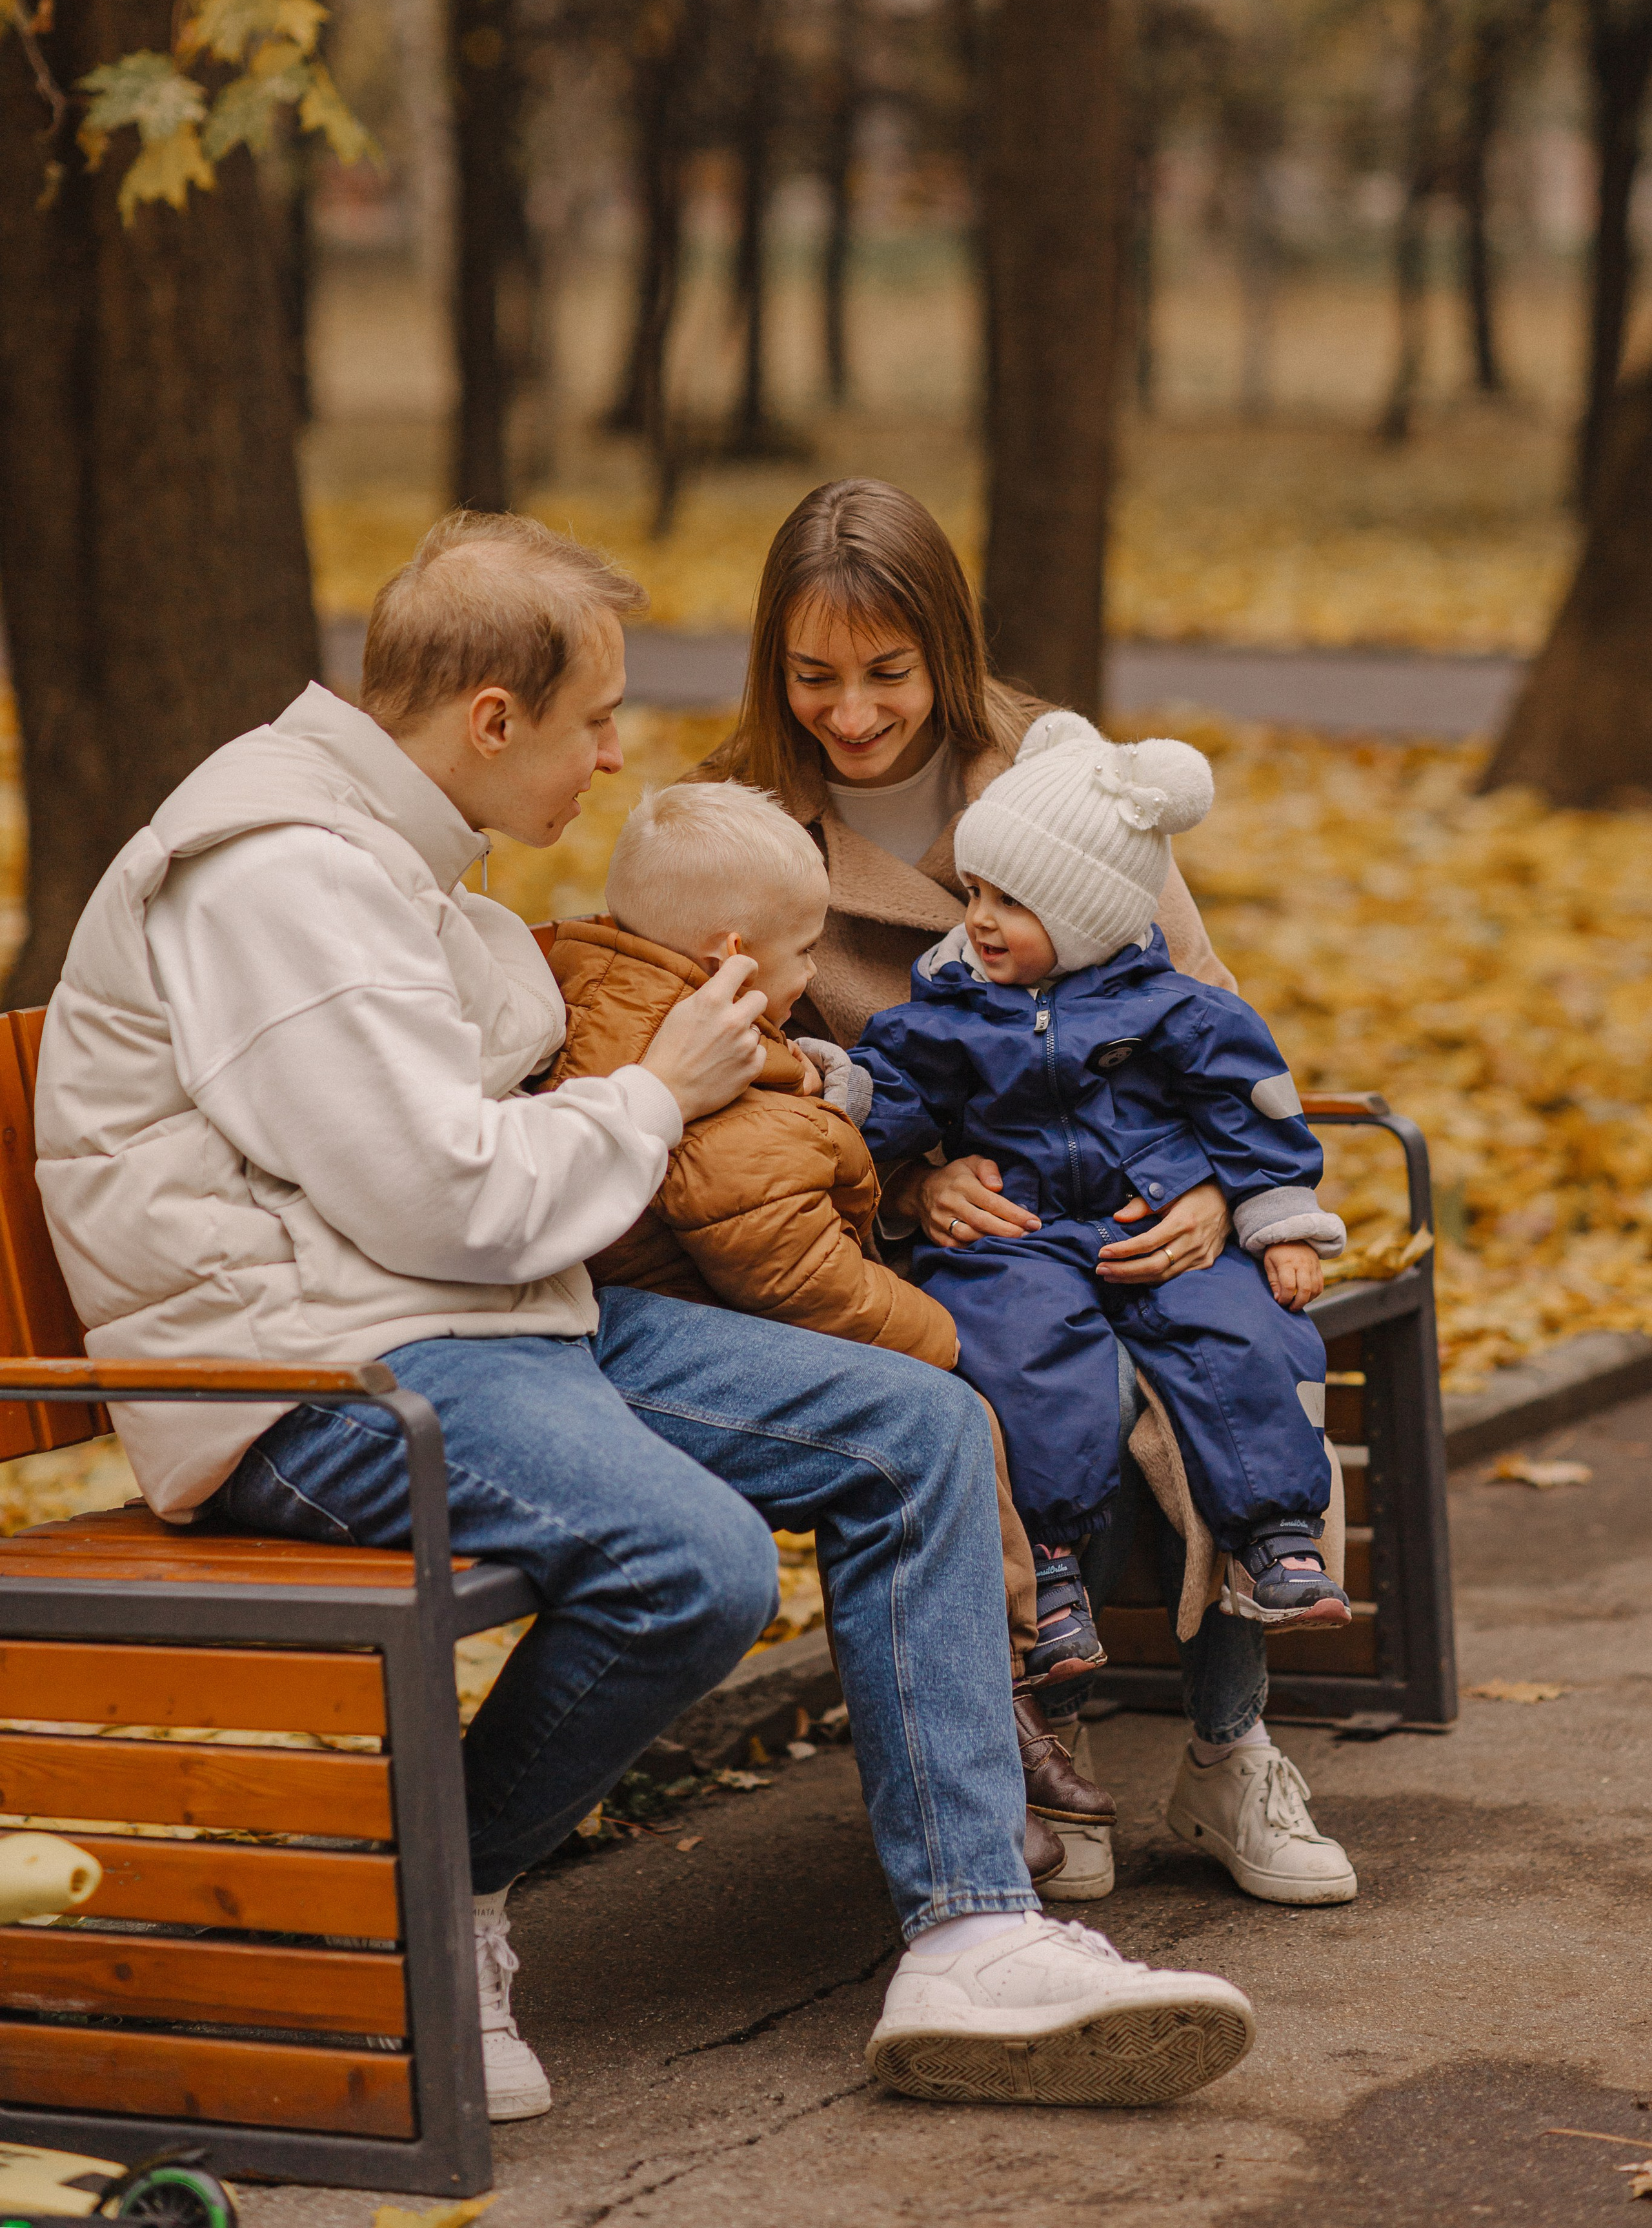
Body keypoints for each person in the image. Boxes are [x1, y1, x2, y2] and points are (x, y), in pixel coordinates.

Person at [34, 507, 1256, 2120]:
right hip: (314, 1374)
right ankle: (425, 1904)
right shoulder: (283, 878)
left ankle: (971, 1932)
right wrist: (659, 1095)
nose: (612, 758)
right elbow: (448, 1197)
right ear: (490, 722)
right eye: (591, 720)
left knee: (922, 1432)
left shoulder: (388, 856)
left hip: (482, 1319)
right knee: (692, 1560)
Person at [693, 475, 1360, 1906]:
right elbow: (762, 1072)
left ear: (944, 645)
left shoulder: (1059, 771)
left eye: (886, 673)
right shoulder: (750, 814)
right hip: (926, 1214)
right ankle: (1048, 1762)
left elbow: (1196, 1002)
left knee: (1226, 1362)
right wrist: (917, 1179)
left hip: (1141, 1190)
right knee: (1037, 1381)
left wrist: (1205, 1192)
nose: (853, 713)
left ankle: (1227, 1757)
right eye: (813, 677)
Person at [540, 778, 1116, 1883]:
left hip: (685, 1314)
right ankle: (1008, 1703)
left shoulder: (642, 997)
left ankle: (996, 1742)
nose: (813, 981)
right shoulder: (696, 1065)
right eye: (802, 954)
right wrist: (929, 1324)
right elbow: (784, 1262)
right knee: (942, 1406)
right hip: (688, 1332)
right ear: (732, 953)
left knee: (938, 1412)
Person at [851, 713, 1353, 1632]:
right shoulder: (952, 1011)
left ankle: (1279, 1537)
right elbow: (889, 1094)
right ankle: (1048, 1564)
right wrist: (839, 1096)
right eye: (975, 891)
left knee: (1246, 1332)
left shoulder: (1178, 1012)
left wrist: (1276, 1220)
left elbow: (1253, 1108)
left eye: (1012, 902)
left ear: (1087, 918)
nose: (978, 920)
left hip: (1155, 1224)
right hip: (1021, 1234)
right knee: (1023, 1352)